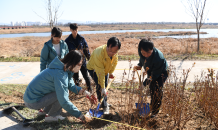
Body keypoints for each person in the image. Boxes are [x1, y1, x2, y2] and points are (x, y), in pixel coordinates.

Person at [23, 50, 97, 122]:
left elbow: (70, 85)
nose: (80, 67)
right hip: (33, 101)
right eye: (79, 64)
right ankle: (52, 116)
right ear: (72, 63)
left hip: (31, 97)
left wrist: (85, 92)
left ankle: (45, 111)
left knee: (61, 91)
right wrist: (80, 115)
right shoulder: (60, 74)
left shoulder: (63, 68)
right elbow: (63, 100)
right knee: (62, 93)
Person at [133, 38, 168, 118]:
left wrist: (144, 84)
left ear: (152, 49)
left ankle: (155, 112)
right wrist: (140, 65)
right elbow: (142, 58)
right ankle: (151, 106)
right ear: (140, 49)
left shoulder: (159, 58)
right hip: (151, 70)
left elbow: (154, 75)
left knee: (157, 90)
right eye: (143, 53)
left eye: (148, 52)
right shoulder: (141, 51)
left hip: (161, 73)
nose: (146, 55)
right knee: (151, 89)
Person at [87, 37, 121, 114]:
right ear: (107, 46)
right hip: (94, 69)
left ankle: (103, 103)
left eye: (114, 52)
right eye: (110, 51)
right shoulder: (99, 54)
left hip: (104, 70)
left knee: (104, 86)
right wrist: (103, 87)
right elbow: (100, 73)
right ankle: (104, 105)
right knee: (100, 86)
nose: (111, 53)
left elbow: (114, 62)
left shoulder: (114, 51)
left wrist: (111, 72)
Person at [65, 23, 92, 92]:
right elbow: (66, 53)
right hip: (73, 63)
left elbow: (86, 50)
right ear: (70, 30)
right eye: (73, 30)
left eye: (76, 29)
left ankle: (90, 90)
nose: (75, 31)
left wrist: (90, 59)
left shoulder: (81, 39)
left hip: (82, 62)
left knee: (86, 76)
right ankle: (77, 91)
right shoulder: (67, 41)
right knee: (75, 78)